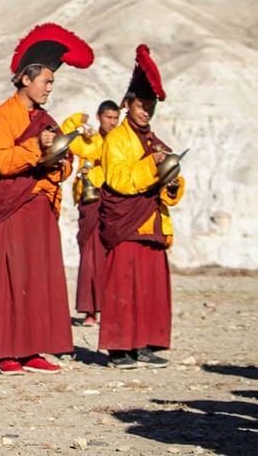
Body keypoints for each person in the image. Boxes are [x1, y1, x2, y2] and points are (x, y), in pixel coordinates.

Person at [0, 23, 94, 375]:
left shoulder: (46, 119)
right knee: (11, 277)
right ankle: (4, 352)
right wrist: (37, 147)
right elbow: (2, 161)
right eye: (46, 82)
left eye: (52, 83)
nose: (49, 89)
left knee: (39, 278)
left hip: (42, 205)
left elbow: (64, 163)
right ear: (26, 79)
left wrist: (59, 161)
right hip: (16, 205)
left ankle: (32, 349)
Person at [98, 45, 184, 369]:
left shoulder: (154, 139)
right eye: (140, 105)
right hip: (126, 224)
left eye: (150, 106)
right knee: (123, 286)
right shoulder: (116, 140)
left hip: (151, 223)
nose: (145, 111)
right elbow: (118, 178)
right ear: (128, 105)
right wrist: (152, 164)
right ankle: (119, 349)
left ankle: (144, 344)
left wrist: (173, 184)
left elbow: (163, 181)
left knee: (149, 289)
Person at [61, 100, 121, 326]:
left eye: (115, 118)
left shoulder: (120, 141)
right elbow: (64, 135)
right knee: (90, 254)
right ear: (99, 117)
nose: (112, 122)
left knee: (113, 255)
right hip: (92, 200)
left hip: (115, 201)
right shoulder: (90, 141)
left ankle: (111, 307)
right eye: (108, 117)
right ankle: (90, 311)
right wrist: (80, 119)